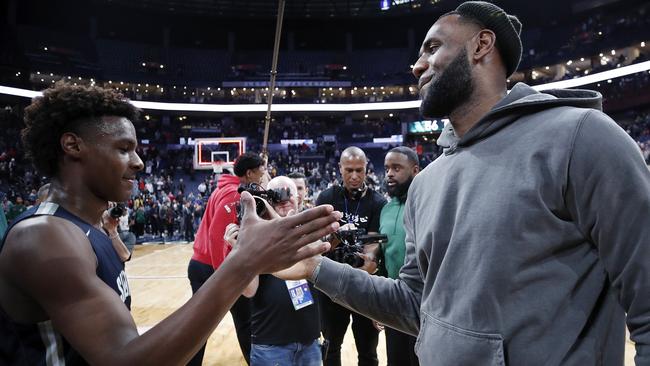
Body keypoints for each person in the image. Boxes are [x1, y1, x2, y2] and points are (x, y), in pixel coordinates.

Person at [276, 1, 650, 365]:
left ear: (481, 45)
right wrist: (315, 268)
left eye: (433, 47)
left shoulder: (582, 138)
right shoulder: (426, 185)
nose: (417, 65)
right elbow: (413, 305)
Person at [0, 82, 341, 365]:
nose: (138, 161)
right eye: (123, 148)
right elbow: (124, 361)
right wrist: (245, 261)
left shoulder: (87, 228)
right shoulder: (44, 237)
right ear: (73, 145)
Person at [228, 176, 322, 366]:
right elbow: (249, 290)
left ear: (299, 199)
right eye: (277, 196)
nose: (284, 200)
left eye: (289, 195)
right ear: (267, 199)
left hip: (309, 340)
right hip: (270, 342)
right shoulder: (255, 237)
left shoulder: (311, 228)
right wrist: (240, 250)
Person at [187, 152, 267, 365]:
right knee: (241, 322)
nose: (264, 175)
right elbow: (216, 236)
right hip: (212, 268)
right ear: (249, 173)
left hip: (206, 266)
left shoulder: (230, 189)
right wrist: (223, 275)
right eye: (262, 172)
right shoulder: (234, 195)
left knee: (207, 327)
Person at [314, 146, 386, 366]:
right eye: (349, 170)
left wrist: (368, 260)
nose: (354, 176)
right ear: (340, 169)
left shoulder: (377, 202)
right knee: (331, 347)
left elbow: (374, 242)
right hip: (331, 283)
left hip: (363, 284)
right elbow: (319, 240)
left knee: (368, 351)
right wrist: (336, 238)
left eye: (359, 170)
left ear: (366, 169)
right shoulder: (326, 197)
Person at [377, 146, 420, 366]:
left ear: (415, 170)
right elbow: (383, 258)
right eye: (386, 169)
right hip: (394, 302)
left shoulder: (426, 203)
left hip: (423, 305)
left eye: (396, 168)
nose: (389, 174)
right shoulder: (385, 209)